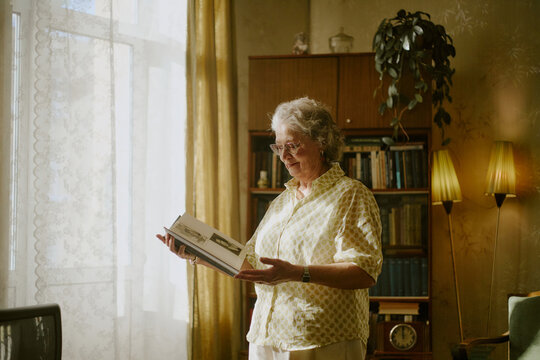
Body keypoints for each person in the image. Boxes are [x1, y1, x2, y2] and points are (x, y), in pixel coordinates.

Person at [157, 97, 382, 359]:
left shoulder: (351, 194)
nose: (284, 156)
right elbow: (252, 265)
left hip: (321, 340)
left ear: (321, 141)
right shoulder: (281, 202)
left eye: (292, 146)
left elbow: (364, 272)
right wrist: (197, 254)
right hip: (267, 338)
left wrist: (297, 273)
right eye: (278, 147)